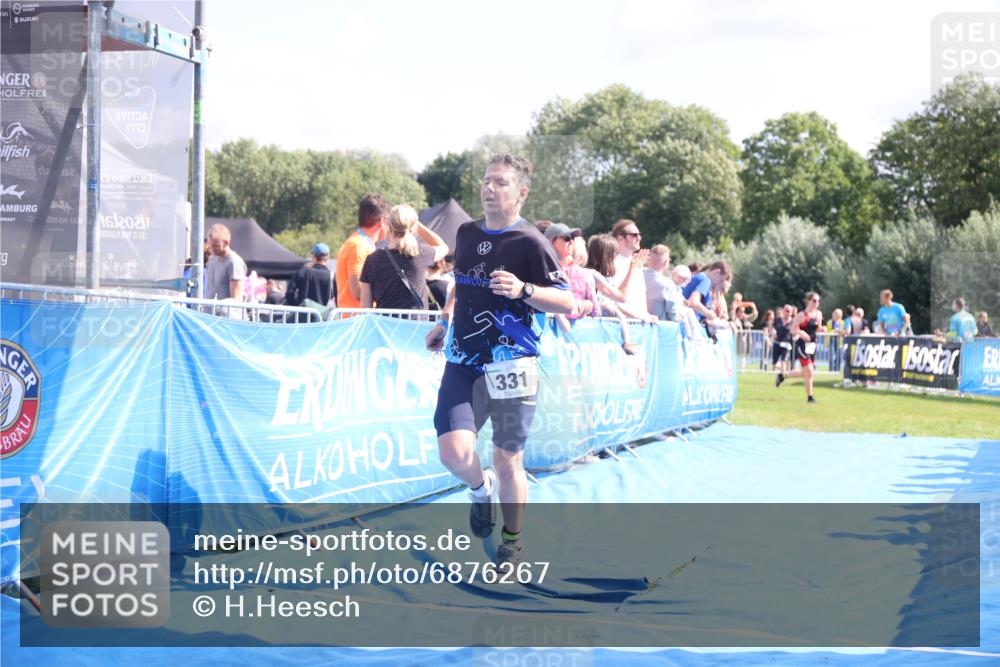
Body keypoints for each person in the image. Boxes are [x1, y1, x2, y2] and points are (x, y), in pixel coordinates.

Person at [424, 154, 574, 567]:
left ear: (521, 192)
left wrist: (525, 289)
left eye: (501, 182)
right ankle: (478, 490)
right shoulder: (467, 233)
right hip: (464, 360)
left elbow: (567, 301)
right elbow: (461, 282)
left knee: (507, 459)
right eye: (486, 181)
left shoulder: (531, 243)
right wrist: (444, 320)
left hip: (512, 367)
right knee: (453, 453)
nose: (489, 188)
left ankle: (513, 537)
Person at [360, 204, 449, 310]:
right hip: (416, 324)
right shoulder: (420, 253)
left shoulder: (372, 260)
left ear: (389, 225)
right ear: (413, 227)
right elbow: (444, 248)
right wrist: (418, 227)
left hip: (385, 324)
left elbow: (366, 307)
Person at [336, 193, 389, 309]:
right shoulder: (358, 245)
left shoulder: (360, 242)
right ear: (382, 222)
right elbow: (358, 292)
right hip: (356, 319)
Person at [776, 292, 824, 403]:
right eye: (814, 301)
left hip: (812, 346)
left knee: (805, 373)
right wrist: (802, 333)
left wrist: (823, 330)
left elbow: (818, 328)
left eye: (818, 301)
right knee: (810, 371)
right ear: (808, 301)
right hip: (802, 346)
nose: (817, 303)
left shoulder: (819, 314)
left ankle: (783, 375)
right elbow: (793, 330)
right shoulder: (801, 315)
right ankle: (810, 397)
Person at [544, 223, 595, 319]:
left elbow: (595, 312)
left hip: (579, 332)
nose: (571, 242)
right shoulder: (540, 269)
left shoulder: (584, 274)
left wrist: (586, 307)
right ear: (550, 242)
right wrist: (580, 306)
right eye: (566, 238)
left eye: (572, 238)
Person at [611, 219, 651, 319]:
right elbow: (614, 300)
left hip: (640, 325)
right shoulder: (612, 264)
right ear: (621, 239)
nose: (639, 238)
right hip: (622, 326)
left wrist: (646, 315)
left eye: (639, 234)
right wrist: (639, 317)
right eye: (634, 235)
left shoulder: (637, 262)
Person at [285, 243, 334, 320]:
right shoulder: (332, 276)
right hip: (322, 318)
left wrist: (296, 306)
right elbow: (338, 298)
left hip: (302, 317)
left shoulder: (302, 273)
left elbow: (289, 293)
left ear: (313, 256)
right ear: (327, 258)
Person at [682, 261, 731, 333]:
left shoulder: (701, 277)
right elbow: (693, 302)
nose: (718, 284)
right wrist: (710, 314)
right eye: (720, 280)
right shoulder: (706, 280)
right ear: (717, 272)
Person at [204, 223, 247, 302]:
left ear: (226, 243)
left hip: (226, 313)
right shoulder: (211, 259)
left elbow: (236, 300)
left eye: (215, 246)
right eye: (210, 245)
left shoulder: (234, 262)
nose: (212, 249)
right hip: (209, 313)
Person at [644, 244, 677, 321]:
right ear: (666, 262)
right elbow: (673, 313)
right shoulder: (667, 284)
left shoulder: (636, 276)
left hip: (637, 324)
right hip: (660, 327)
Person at [771, 304, 795, 373]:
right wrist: (773, 332)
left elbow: (797, 330)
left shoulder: (793, 321)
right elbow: (771, 327)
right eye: (786, 310)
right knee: (774, 363)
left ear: (791, 313)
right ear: (783, 311)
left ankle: (783, 375)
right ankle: (784, 370)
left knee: (783, 360)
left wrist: (796, 336)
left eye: (789, 311)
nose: (787, 312)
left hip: (786, 344)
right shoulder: (777, 320)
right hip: (777, 343)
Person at [826, 308, 846, 372]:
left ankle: (837, 369)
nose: (837, 316)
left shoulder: (843, 323)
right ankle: (831, 370)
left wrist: (841, 331)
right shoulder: (829, 322)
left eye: (838, 315)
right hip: (831, 340)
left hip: (839, 341)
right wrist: (834, 331)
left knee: (839, 356)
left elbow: (844, 332)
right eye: (836, 314)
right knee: (831, 356)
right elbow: (828, 331)